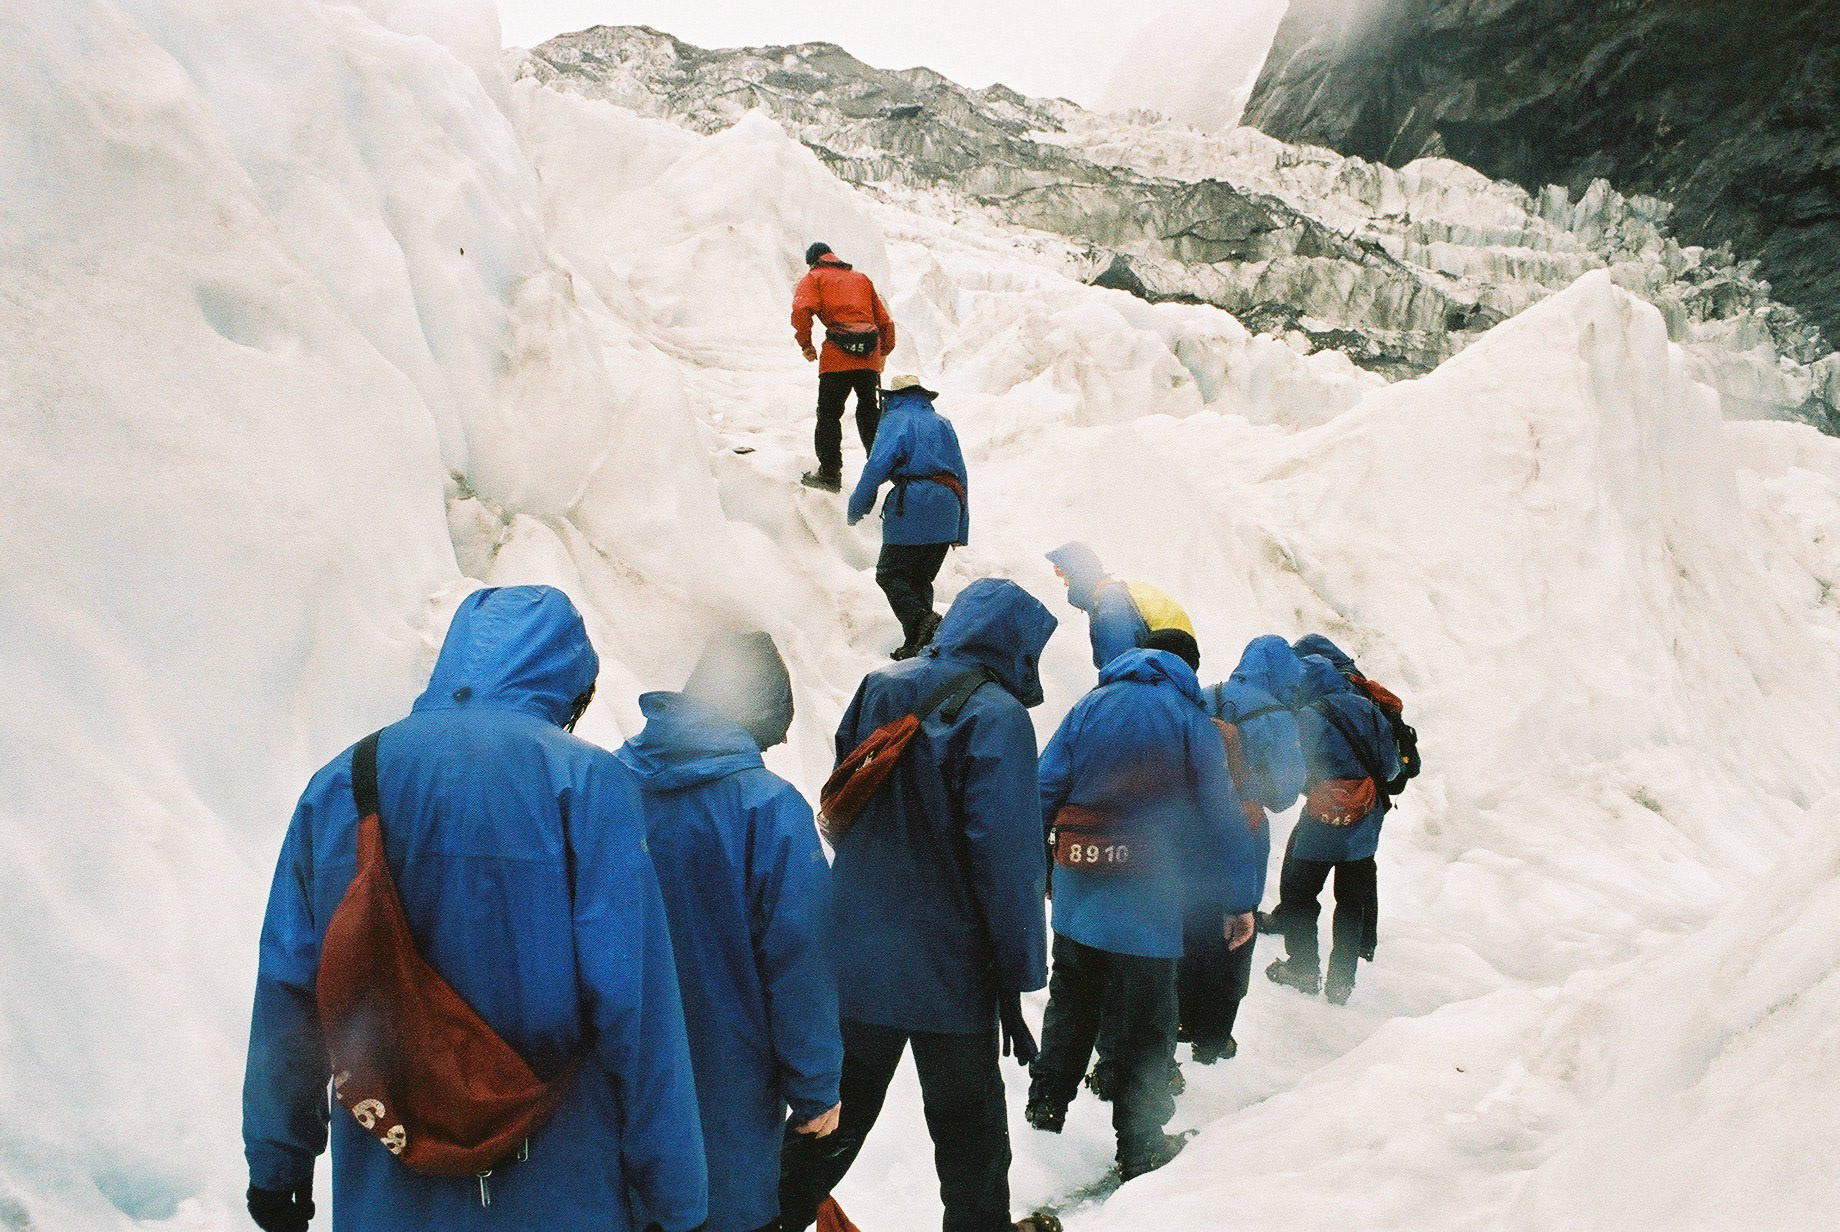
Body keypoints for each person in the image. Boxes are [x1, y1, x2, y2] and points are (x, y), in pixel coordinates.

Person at [242, 586, 706, 1232]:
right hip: (560, 1189)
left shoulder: (339, 785)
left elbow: (290, 992)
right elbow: (639, 1011)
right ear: (565, 687)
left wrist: (278, 1163)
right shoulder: (588, 786)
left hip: (390, 1189)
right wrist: (677, 1199)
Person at [779, 578, 1058, 1232]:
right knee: (971, 1137)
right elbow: (1008, 861)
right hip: (949, 971)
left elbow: (848, 783)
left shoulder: (881, 685)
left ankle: (764, 1220)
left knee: (831, 1121)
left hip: (855, 949)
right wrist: (1018, 980)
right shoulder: (998, 717)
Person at [614, 629, 843, 1232]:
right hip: (729, 1093)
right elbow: (800, 961)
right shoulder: (767, 809)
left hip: (619, 1083)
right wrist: (816, 1084)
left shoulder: (606, 786)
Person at [1025, 644, 1262, 1182]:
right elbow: (1221, 814)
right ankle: (1141, 1144)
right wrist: (1237, 898)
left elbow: (1042, 788)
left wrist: (1037, 866)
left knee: (1072, 996)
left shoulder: (1090, 706)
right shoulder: (1188, 719)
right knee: (1149, 1025)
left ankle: (1045, 1108)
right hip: (1148, 900)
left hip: (1080, 888)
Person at [1179, 635, 1306, 1064]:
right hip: (1244, 835)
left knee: (1190, 921)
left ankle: (1179, 1017)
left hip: (1189, 832)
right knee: (1236, 931)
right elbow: (1285, 794)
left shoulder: (1203, 694)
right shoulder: (1276, 714)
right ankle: (1213, 1035)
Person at [1265, 654, 1401, 1005]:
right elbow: (1389, 768)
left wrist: (1316, 786)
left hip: (1320, 824)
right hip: (1363, 824)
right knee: (1352, 901)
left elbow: (1295, 770)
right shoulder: (1369, 709)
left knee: (1299, 894)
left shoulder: (1309, 716)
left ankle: (1304, 968)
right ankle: (1342, 981)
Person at [847, 374, 970, 660]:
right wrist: (960, 528)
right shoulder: (942, 423)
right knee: (919, 580)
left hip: (914, 503)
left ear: (892, 396)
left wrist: (857, 508)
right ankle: (921, 645)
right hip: (948, 507)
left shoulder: (896, 420)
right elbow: (961, 475)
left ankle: (927, 627)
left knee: (890, 573)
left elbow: (877, 466)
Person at [792, 241, 896, 492]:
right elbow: (885, 321)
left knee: (829, 414)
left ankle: (829, 474)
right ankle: (881, 469)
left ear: (814, 261)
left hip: (837, 358)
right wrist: (883, 352)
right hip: (869, 356)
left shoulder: (814, 277)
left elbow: (801, 310)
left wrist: (806, 344)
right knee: (869, 411)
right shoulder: (861, 279)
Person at [1044, 541, 1194, 673]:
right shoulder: (1119, 593)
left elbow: (1120, 664)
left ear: (1078, 574)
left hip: (1146, 685)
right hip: (1166, 676)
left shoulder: (1110, 601)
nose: (1065, 584)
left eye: (1064, 576)